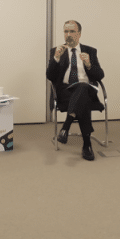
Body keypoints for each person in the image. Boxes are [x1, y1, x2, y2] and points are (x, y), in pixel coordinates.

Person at [46, 20, 105, 161]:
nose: (68, 34)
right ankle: (87, 144)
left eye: (72, 31)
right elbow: (50, 77)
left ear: (79, 34)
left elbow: (100, 75)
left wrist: (89, 64)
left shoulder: (90, 51)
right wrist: (56, 58)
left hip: (87, 89)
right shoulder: (57, 51)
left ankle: (66, 126)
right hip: (65, 92)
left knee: (83, 88)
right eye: (66, 31)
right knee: (83, 100)